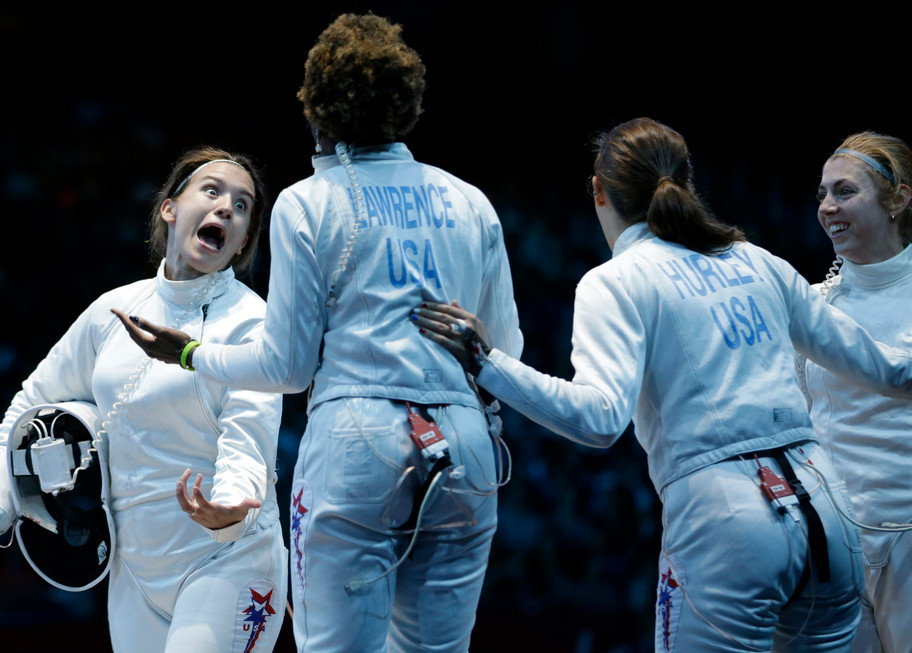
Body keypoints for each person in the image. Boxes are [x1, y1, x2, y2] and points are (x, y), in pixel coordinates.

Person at [412, 118, 912, 651]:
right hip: (830, 516)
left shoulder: (617, 279)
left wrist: (486, 363)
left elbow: (599, 420)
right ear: (684, 181)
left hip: (728, 523)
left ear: (600, 193)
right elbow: (892, 372)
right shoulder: (757, 260)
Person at [115, 13, 523, 653]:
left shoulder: (311, 200)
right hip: (465, 447)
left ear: (319, 110)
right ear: (405, 106)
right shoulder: (469, 201)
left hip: (359, 445)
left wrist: (189, 351)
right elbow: (504, 351)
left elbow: (288, 367)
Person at [0, 146, 288, 653]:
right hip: (134, 571)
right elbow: (29, 406)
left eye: (241, 206)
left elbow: (249, 439)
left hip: (227, 559)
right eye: (211, 191)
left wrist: (231, 507)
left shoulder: (251, 320)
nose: (225, 209)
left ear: (241, 244)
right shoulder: (114, 310)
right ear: (170, 208)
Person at [804, 132, 912, 652]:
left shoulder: (807, 311)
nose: (828, 207)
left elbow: (901, 373)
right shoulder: (812, 300)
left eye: (845, 192)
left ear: (898, 199)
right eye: (823, 193)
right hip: (833, 544)